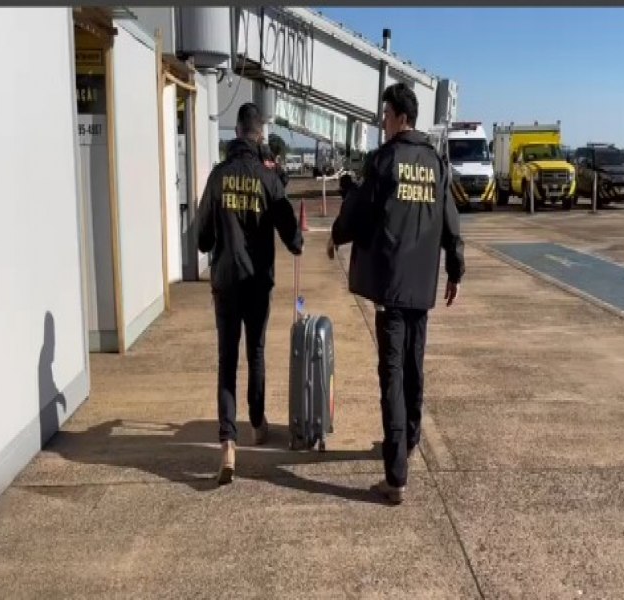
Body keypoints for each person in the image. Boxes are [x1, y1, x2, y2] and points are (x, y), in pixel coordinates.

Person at [328, 83, 465, 504]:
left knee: (391, 376)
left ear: (399, 117)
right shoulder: (435, 163)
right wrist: (455, 269)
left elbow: (362, 211)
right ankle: (410, 439)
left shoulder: (385, 160)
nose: (383, 122)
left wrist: (336, 231)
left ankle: (396, 476)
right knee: (413, 368)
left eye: (385, 115)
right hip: (421, 286)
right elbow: (450, 220)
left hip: (390, 287)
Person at [196, 102, 304, 484]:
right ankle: (257, 423)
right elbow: (290, 232)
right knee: (255, 352)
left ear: (237, 132)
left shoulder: (218, 176)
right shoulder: (267, 176)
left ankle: (228, 442)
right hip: (258, 283)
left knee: (227, 359)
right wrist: (296, 242)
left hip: (225, 281)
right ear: (259, 134)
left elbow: (202, 237)